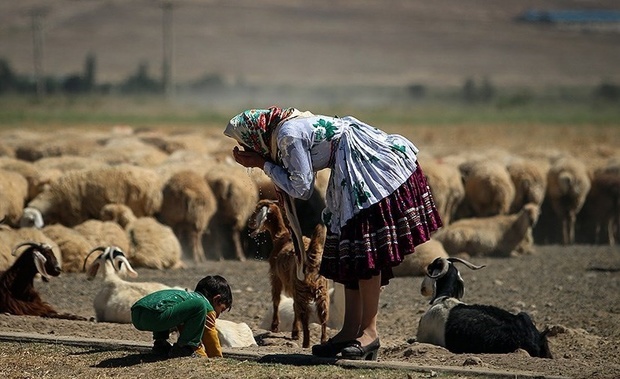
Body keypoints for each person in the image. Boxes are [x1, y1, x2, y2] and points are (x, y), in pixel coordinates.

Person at [224, 107, 443, 360]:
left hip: (366, 169)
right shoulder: (283, 131)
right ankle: (351, 329)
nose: (245, 149)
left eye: (245, 143)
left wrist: (262, 164)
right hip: (348, 169)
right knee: (347, 251)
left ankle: (369, 332)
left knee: (364, 247)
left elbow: (302, 187)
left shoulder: (288, 135)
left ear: (255, 135)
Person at [131, 275, 233, 358]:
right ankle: (185, 348)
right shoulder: (203, 305)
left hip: (137, 314)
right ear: (216, 299)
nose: (218, 315)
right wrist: (216, 357)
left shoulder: (186, 299)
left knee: (167, 306)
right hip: (157, 317)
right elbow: (210, 332)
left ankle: (160, 344)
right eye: (222, 310)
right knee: (199, 305)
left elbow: (184, 327)